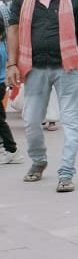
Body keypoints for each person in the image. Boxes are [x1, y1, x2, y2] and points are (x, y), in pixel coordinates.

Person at [5, 0, 78, 192]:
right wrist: (11, 63)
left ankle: (66, 172)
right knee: (32, 121)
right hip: (34, 68)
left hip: (67, 68)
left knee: (72, 122)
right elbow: (12, 29)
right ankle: (38, 160)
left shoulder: (73, 0)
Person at [0, 10, 24, 164]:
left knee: (0, 121)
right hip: (1, 84)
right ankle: (9, 148)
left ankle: (12, 150)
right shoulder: (3, 44)